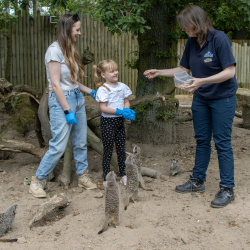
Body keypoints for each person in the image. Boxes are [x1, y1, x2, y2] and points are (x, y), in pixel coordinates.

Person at [144, 5, 238, 208]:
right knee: (202, 140)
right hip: (201, 98)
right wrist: (159, 72)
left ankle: (227, 189)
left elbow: (229, 72)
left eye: (187, 27)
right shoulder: (192, 42)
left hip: (223, 97)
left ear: (198, 23)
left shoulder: (219, 39)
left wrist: (201, 81)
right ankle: (197, 181)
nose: (185, 31)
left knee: (221, 141)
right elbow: (184, 68)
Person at [29, 13, 98, 198]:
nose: (79, 33)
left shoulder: (71, 50)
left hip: (77, 98)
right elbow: (56, 84)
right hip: (61, 101)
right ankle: (37, 180)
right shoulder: (54, 51)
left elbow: (73, 82)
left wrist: (91, 91)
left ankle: (83, 176)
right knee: (58, 145)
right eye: (77, 29)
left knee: (81, 141)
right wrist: (67, 109)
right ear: (67, 29)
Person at [93, 60, 135, 187]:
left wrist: (126, 109)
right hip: (107, 122)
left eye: (116, 70)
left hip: (119, 122)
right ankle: (106, 177)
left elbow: (126, 101)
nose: (115, 73)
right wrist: (119, 111)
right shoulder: (103, 89)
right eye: (111, 71)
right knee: (108, 150)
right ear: (103, 75)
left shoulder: (122, 86)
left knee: (121, 149)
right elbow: (103, 108)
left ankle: (123, 174)